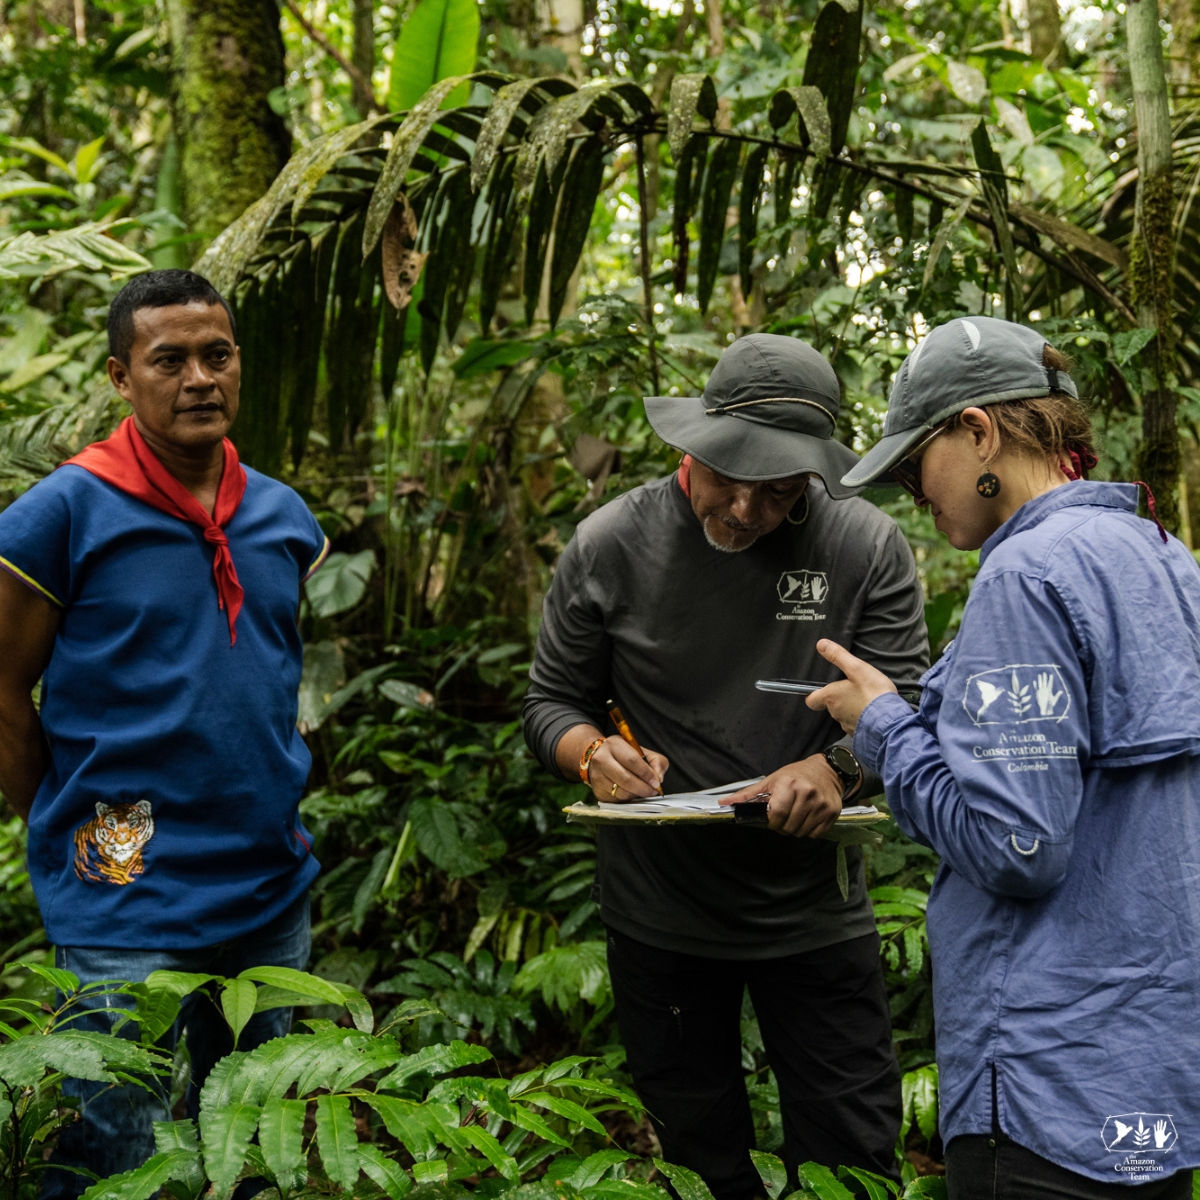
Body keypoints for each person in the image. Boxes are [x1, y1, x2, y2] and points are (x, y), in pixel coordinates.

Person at [523, 334, 929, 1196]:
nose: (744, 509)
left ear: (814, 479)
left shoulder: (865, 547)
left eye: (777, 492)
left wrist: (836, 771)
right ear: (688, 445)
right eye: (725, 478)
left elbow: (911, 707)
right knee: (700, 1158)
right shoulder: (609, 544)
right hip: (660, 911)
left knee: (851, 1154)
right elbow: (549, 705)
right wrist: (594, 753)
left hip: (815, 912)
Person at [809, 315, 1200, 1197]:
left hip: (1044, 1080)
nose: (916, 491)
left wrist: (883, 725)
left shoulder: (1026, 576)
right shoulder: (1166, 556)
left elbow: (1016, 845)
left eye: (916, 465)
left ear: (978, 430)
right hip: (1151, 1075)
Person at [0, 270, 329, 1197]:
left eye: (216, 356)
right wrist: (70, 829)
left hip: (270, 888)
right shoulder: (61, 515)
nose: (198, 379)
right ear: (120, 376)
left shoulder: (282, 516)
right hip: (124, 896)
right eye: (169, 360)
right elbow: (1, 690)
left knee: (253, 1143)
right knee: (112, 1149)